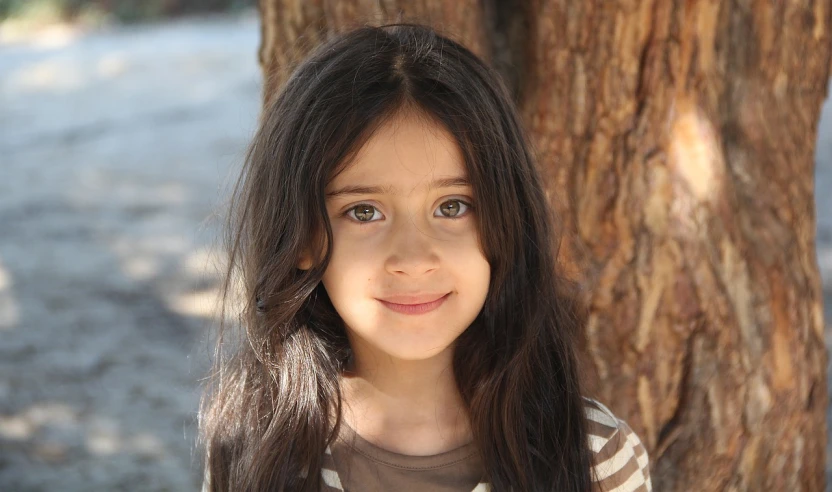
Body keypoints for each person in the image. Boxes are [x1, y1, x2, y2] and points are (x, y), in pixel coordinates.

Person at [198, 22, 652, 492]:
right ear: (303, 240)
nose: (414, 259)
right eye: (364, 211)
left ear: (505, 224)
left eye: (452, 206)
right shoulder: (256, 449)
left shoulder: (593, 457)